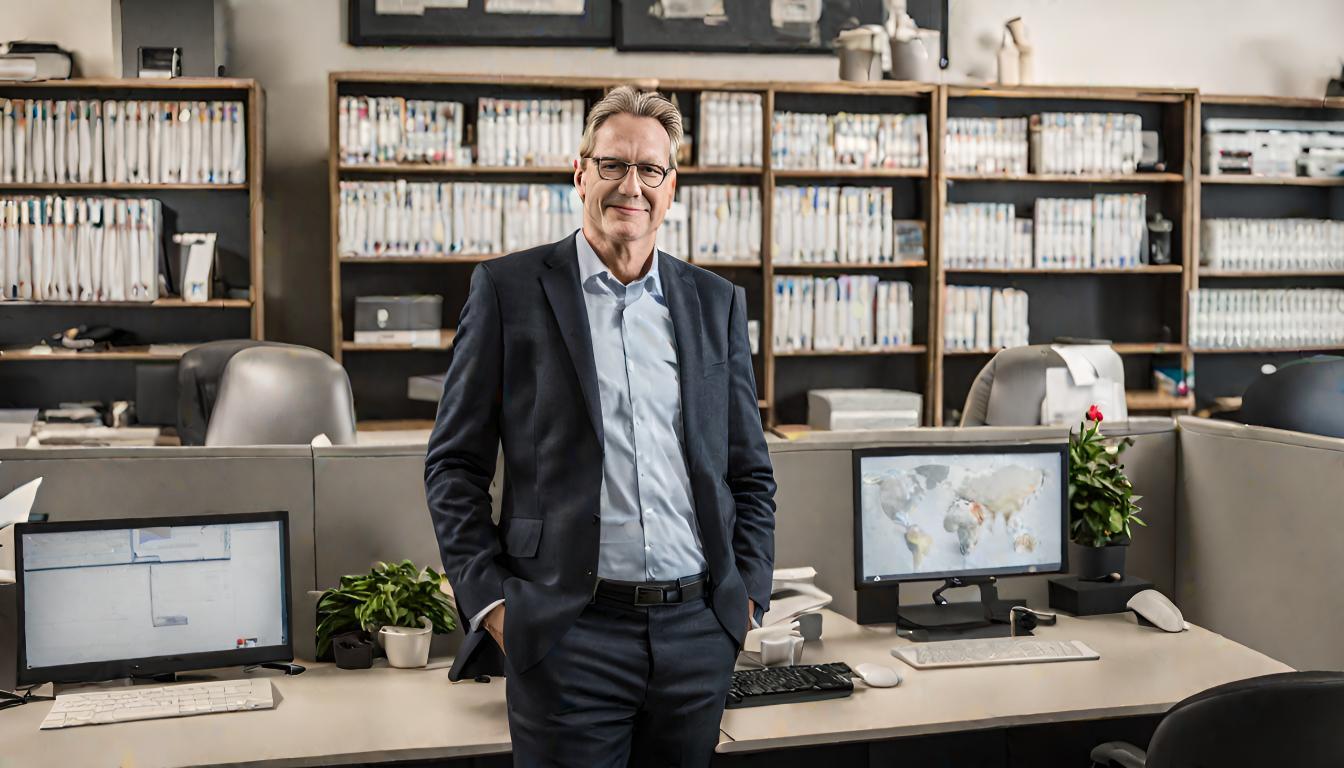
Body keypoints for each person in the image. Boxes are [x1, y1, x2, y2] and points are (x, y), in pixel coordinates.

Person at [424, 85, 777, 768]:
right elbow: (454, 466)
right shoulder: (509, 291)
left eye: (651, 169)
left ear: (672, 187)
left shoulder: (714, 303)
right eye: (614, 164)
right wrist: (494, 603)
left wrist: (749, 596)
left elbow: (748, 469)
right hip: (568, 637)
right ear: (579, 171)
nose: (632, 186)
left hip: (695, 634)